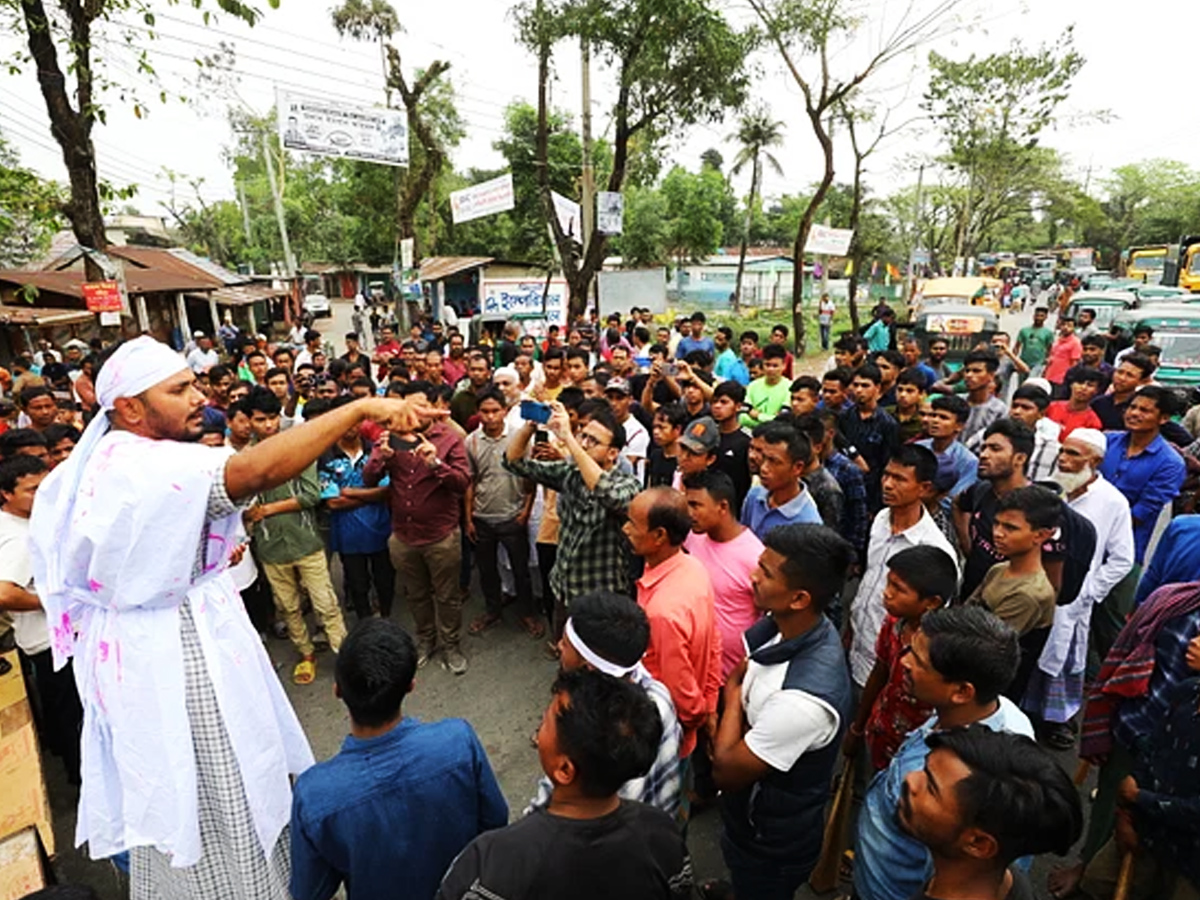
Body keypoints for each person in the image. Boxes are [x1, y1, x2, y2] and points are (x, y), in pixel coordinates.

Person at [27, 336, 436, 899]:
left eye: (194, 384)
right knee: (218, 790)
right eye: (179, 389)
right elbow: (252, 473)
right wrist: (361, 408)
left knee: (231, 782)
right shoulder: (137, 464)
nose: (198, 397)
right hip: (173, 656)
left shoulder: (110, 460)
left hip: (170, 632)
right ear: (130, 408)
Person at [290, 619, 507, 900]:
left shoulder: (314, 795)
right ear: (411, 686)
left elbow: (309, 891)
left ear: (337, 691)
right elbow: (496, 822)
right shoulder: (457, 742)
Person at [437, 669, 694, 900]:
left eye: (546, 722)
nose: (538, 730)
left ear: (564, 770)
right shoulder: (661, 834)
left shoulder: (494, 861)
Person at [713, 524, 856, 900]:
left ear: (799, 598)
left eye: (766, 572)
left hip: (771, 839)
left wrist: (731, 697)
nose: (752, 576)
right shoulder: (779, 627)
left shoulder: (803, 701)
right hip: (752, 817)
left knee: (760, 887)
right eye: (759, 564)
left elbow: (727, 771)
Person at [853, 606, 1033, 900]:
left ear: (962, 691)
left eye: (920, 661)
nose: (904, 661)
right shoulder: (989, 713)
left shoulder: (967, 778)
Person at [1050, 581, 1200, 900]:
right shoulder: (1176, 600)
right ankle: (1087, 863)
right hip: (1141, 731)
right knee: (1112, 806)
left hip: (1187, 775)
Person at [526, 590, 683, 818]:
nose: (559, 645)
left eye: (567, 644)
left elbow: (548, 811)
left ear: (589, 667)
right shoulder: (659, 696)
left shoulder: (583, 732)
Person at [1025, 429, 1134, 748]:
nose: (1064, 459)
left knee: (1060, 661)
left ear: (1096, 461)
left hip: (1072, 599)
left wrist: (1088, 591)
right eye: (1063, 452)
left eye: (1074, 454)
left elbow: (1122, 559)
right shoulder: (1048, 491)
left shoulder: (1113, 502)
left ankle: (1056, 721)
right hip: (1033, 590)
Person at [1077, 644, 1200, 900]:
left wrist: (1139, 798)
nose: (1195, 640)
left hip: (1191, 862)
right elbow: (1153, 749)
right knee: (1097, 882)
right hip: (1147, 834)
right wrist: (1125, 815)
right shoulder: (1188, 691)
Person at [244, 387, 350, 685]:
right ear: (249, 421)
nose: (268, 425)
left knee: (325, 602)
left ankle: (342, 656)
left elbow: (311, 495)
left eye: (272, 418)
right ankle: (306, 655)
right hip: (270, 547)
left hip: (305, 540)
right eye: (260, 419)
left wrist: (266, 510)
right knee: (288, 607)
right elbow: (241, 504)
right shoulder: (243, 458)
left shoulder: (297, 447)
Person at [365, 381, 471, 674]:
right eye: (406, 407)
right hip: (403, 535)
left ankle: (451, 645)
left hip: (441, 535)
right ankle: (426, 640)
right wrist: (381, 458)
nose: (412, 413)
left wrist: (435, 462)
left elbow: (462, 483)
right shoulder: (389, 438)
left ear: (433, 407)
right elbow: (369, 478)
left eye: (420, 407)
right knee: (416, 593)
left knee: (447, 595)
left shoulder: (448, 439)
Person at [505, 401, 641, 627]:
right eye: (583, 436)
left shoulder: (628, 485)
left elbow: (606, 493)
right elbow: (514, 463)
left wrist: (569, 438)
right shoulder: (570, 473)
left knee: (595, 657)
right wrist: (530, 426)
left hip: (601, 594)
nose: (584, 444)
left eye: (593, 441)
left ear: (613, 453)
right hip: (564, 586)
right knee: (565, 651)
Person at [904, 728, 1083, 900]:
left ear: (979, 844)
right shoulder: (1002, 878)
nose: (910, 779)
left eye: (931, 788)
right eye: (924, 768)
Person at [0, 455, 84, 784]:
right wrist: (51, 602)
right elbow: (5, 593)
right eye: (32, 489)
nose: (42, 495)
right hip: (53, 644)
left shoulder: (16, 523)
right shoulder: (19, 538)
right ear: (6, 493)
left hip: (45, 642)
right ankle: (82, 783)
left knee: (63, 717)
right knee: (75, 719)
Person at [848, 445, 958, 691]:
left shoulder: (935, 550)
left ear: (925, 488)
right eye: (886, 475)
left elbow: (930, 622)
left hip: (887, 666)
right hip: (857, 641)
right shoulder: (880, 520)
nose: (887, 484)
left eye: (899, 479)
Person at [624, 487, 720, 764]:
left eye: (633, 523)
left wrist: (699, 713)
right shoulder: (693, 567)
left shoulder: (662, 612)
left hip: (670, 731)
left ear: (659, 536)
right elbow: (714, 641)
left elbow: (678, 688)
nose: (625, 529)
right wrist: (710, 703)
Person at [845, 543, 958, 773]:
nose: (887, 593)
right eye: (888, 583)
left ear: (932, 603)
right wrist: (858, 727)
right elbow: (880, 671)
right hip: (880, 730)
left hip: (915, 754)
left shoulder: (943, 648)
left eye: (898, 588)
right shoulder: (894, 623)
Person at [465, 388, 540, 639]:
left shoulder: (520, 439)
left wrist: (526, 511)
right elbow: (470, 482)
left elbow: (531, 477)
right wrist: (469, 518)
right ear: (478, 413)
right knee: (487, 570)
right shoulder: (471, 441)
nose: (490, 417)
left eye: (495, 411)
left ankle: (527, 613)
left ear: (505, 412)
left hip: (513, 515)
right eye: (485, 412)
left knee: (521, 570)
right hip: (483, 516)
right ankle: (492, 611)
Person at [315, 397, 395, 622]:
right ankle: (366, 626)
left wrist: (350, 493)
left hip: (381, 530)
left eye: (356, 421)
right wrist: (373, 496)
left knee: (385, 582)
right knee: (358, 586)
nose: (351, 427)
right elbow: (332, 502)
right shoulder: (326, 457)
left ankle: (386, 620)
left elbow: (387, 491)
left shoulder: (377, 451)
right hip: (348, 536)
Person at [683, 470, 763, 679]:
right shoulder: (692, 537)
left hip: (729, 678)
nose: (689, 513)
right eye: (687, 504)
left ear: (723, 507)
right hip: (695, 669)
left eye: (696, 505)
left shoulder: (754, 557)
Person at [741, 421, 822, 539]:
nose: (763, 468)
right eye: (764, 458)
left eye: (774, 461)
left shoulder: (808, 524)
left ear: (797, 467)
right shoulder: (755, 495)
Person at [839, 363, 901, 514]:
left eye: (865, 386)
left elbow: (887, 465)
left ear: (877, 388)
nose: (859, 390)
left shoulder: (888, 424)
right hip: (844, 487)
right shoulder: (844, 418)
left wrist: (876, 506)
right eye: (856, 385)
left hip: (870, 493)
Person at [917, 394, 976, 509]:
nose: (935, 421)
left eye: (943, 418)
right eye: (933, 415)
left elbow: (954, 499)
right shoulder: (917, 448)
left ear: (959, 426)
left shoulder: (968, 461)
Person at [710, 381, 751, 512]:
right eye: (714, 402)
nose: (717, 406)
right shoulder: (708, 435)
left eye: (724, 402)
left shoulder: (747, 440)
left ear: (738, 406)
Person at [1008, 382, 1061, 482]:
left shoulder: (1052, 450)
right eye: (1014, 406)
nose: (1017, 412)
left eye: (1026, 408)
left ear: (1041, 414)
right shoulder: (987, 437)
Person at [1091, 353, 1156, 431]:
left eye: (1129, 375)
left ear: (1141, 381)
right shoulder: (1097, 403)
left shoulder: (1140, 409)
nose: (1121, 378)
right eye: (1120, 372)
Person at [960, 350, 1009, 449]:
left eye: (976, 371)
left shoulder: (1000, 411)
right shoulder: (956, 402)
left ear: (991, 375)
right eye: (967, 370)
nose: (969, 375)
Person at [741, 343, 791, 427]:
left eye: (775, 366)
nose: (771, 369)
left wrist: (758, 416)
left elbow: (783, 420)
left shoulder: (790, 387)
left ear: (784, 366)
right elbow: (742, 417)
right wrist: (770, 419)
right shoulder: (753, 386)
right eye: (767, 365)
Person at [1047, 367, 1104, 438]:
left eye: (1090, 385)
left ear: (1096, 391)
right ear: (1071, 385)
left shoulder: (1093, 423)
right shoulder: (1051, 407)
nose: (1083, 388)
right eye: (1080, 383)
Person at [1044, 316, 1083, 389]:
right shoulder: (1057, 341)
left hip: (1062, 379)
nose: (1065, 327)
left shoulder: (1075, 343)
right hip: (1049, 376)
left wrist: (1070, 379)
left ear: (1074, 328)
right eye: (1063, 325)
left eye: (1069, 326)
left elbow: (1074, 363)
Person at [1014, 307, 1054, 373]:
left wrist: (1047, 360)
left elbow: (1050, 348)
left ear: (1046, 317)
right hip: (1023, 361)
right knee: (1022, 382)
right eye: (1037, 315)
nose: (1038, 318)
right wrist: (1014, 360)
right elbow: (1017, 346)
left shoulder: (1048, 333)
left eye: (1042, 316)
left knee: (1032, 380)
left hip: (1038, 363)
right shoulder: (1024, 330)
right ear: (1033, 316)